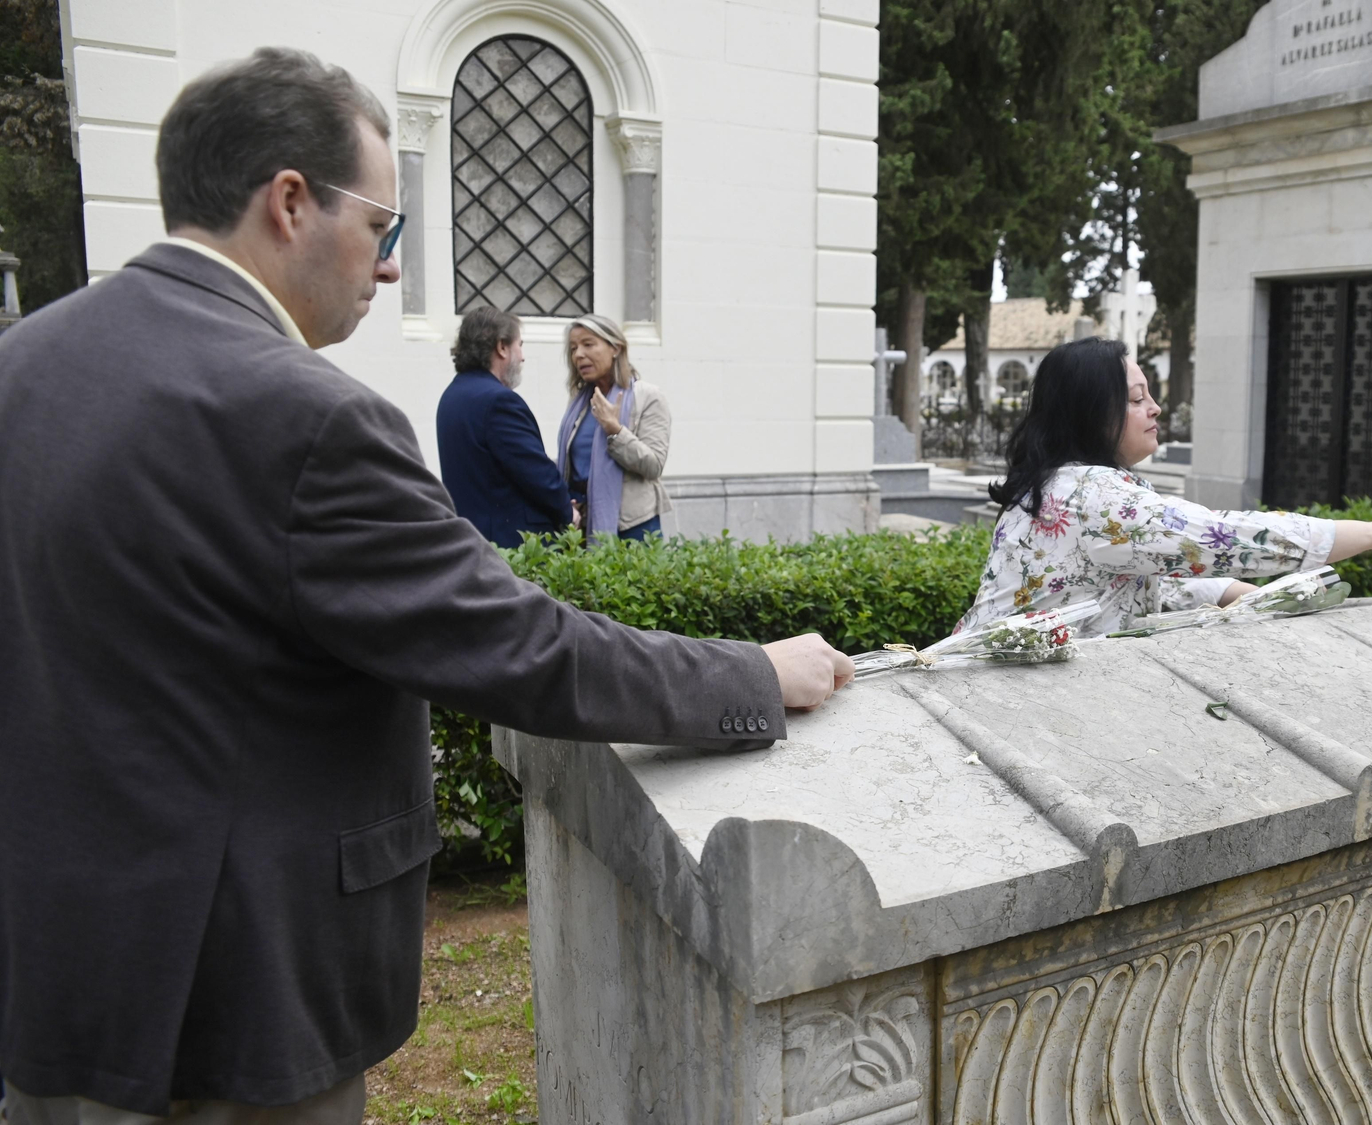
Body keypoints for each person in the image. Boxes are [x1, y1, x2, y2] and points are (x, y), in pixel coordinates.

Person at [0, 48, 852, 1124]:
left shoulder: (23, 365)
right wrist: (752, 674)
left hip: (51, 979)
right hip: (231, 1011)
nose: (395, 268)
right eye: (384, 226)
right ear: (290, 203)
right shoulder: (305, 417)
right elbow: (517, 645)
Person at [959, 336, 1372, 637]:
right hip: (1000, 695)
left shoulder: (1059, 483)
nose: (1155, 408)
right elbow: (1225, 537)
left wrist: (1231, 592)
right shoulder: (1094, 496)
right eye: (1136, 399)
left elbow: (1138, 573)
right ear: (1091, 414)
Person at [436, 306, 574, 548]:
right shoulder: (499, 401)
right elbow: (537, 474)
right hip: (512, 545)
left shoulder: (451, 395)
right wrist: (568, 512)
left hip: (473, 539)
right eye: (519, 345)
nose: (522, 357)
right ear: (501, 347)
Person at [557, 313, 672, 541]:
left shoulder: (648, 397)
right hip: (582, 522)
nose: (579, 355)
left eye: (588, 344)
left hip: (632, 525)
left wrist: (614, 430)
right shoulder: (580, 402)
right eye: (573, 348)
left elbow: (653, 466)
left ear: (616, 348)